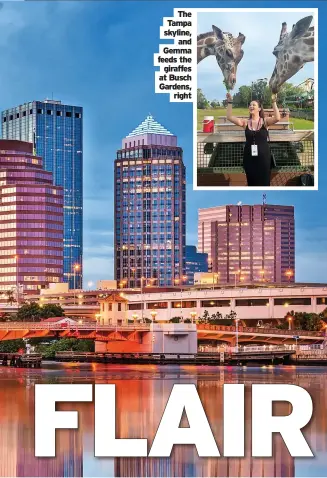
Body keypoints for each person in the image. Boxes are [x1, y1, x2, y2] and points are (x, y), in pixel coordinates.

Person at [226, 93, 281, 186]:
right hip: (249, 159)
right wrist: (230, 102)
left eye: (253, 105)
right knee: (251, 182)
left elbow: (277, 118)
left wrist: (273, 102)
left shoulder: (265, 121)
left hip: (264, 159)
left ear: (259, 109)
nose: (251, 106)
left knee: (264, 183)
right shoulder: (245, 123)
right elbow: (229, 117)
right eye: (250, 105)